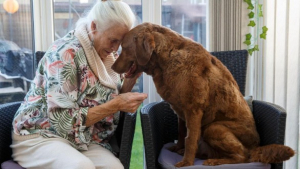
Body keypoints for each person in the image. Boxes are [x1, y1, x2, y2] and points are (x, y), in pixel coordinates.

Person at [11, 0, 147, 169]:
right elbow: (63, 121)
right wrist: (115, 105)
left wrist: (130, 79)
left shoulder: (106, 56)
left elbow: (114, 100)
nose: (116, 48)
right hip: (40, 134)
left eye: (120, 42)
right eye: (113, 40)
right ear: (94, 26)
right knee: (80, 166)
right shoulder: (65, 53)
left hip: (81, 138)